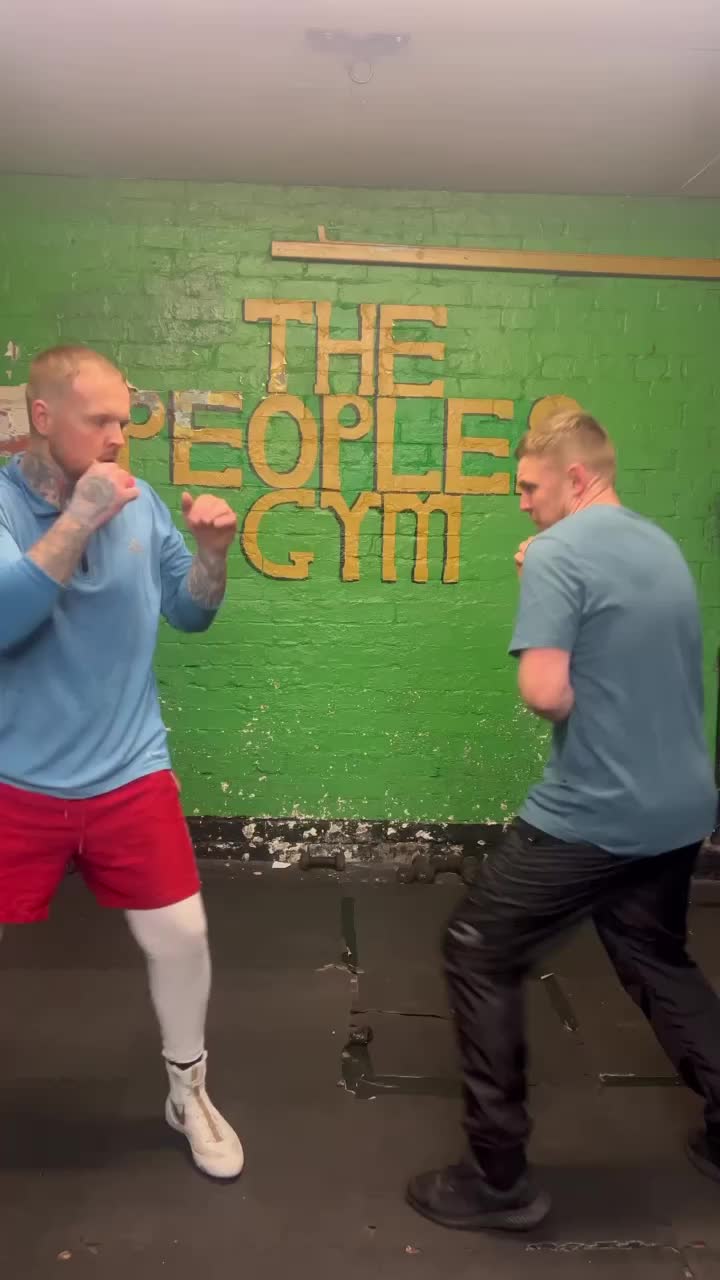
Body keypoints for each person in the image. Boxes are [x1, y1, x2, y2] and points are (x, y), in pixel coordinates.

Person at [407, 411, 720, 1232]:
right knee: (655, 955)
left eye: (529, 487)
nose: (522, 503)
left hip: (598, 809)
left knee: (478, 947)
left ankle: (497, 1178)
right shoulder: (659, 545)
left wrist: (543, 584)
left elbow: (546, 692)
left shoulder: (557, 553)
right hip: (683, 804)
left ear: (575, 478)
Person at [0, 345, 243, 1180]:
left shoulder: (143, 504)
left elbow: (190, 611)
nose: (116, 436)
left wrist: (212, 555)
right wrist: (80, 518)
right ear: (43, 417)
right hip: (15, 777)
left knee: (182, 934)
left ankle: (188, 1091)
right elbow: (5, 620)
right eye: (98, 420)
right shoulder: (4, 506)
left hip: (129, 770)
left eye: (123, 420)